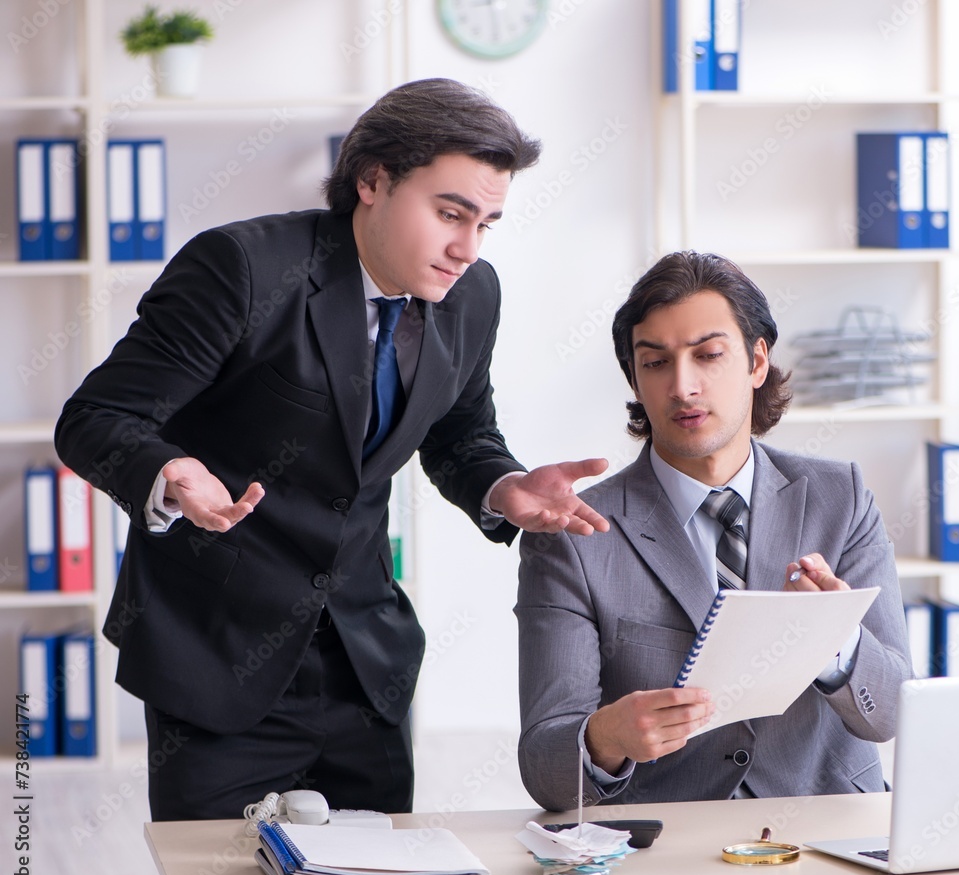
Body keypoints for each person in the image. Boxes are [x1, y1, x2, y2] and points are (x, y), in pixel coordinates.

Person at [55, 78, 610, 825]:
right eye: (450, 214)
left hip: (362, 661)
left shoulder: (471, 296)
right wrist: (168, 470)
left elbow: (460, 435)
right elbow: (96, 416)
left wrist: (502, 483)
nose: (466, 247)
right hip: (219, 653)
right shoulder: (243, 269)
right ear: (372, 180)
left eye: (486, 223)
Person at [516, 250, 913, 812]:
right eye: (655, 363)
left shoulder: (840, 498)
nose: (682, 386)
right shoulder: (574, 534)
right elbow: (544, 769)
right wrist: (606, 740)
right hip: (664, 847)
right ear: (635, 377)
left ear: (756, 362)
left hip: (827, 835)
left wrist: (838, 638)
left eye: (707, 356)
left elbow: (893, 712)